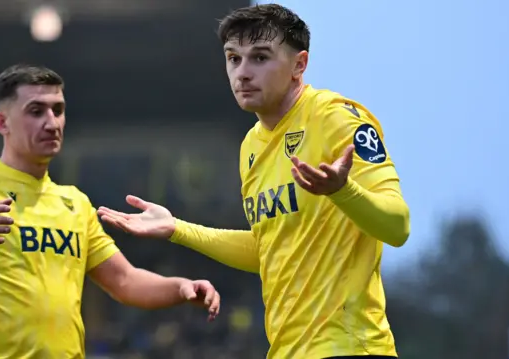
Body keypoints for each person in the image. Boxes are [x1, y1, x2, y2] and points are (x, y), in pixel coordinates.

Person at [97, 4, 410, 359]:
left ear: (299, 65)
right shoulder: (251, 145)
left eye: (260, 58)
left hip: (351, 348)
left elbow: (398, 226)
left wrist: (343, 190)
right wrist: (177, 229)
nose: (242, 73)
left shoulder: (336, 118)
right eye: (234, 59)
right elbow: (268, 248)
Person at [0, 64, 221, 359]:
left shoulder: (74, 202)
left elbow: (125, 281)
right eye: (36, 111)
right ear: (2, 122)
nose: (52, 122)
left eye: (57, 110)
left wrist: (181, 288)